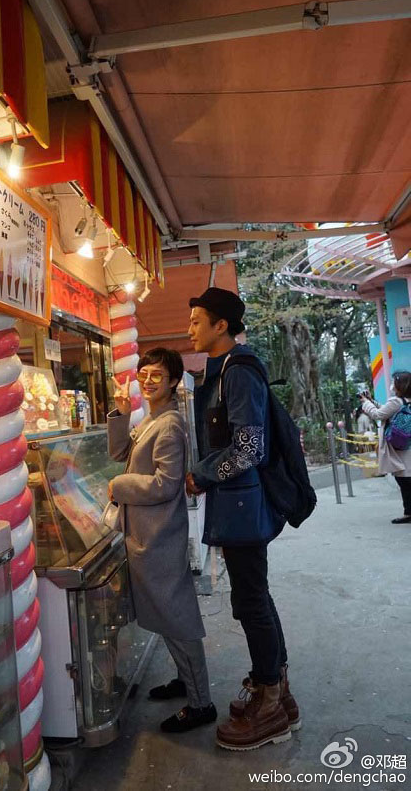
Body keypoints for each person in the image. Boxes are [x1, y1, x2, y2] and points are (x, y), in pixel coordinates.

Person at [186, 287, 300, 751]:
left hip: (243, 508)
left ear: (221, 326)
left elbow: (249, 448)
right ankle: (277, 690)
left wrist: (202, 475)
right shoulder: (224, 370)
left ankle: (270, 704)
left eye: (197, 321)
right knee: (255, 597)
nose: (190, 329)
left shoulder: (237, 372)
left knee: (250, 600)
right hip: (237, 505)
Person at [107, 347, 217, 733]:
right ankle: (186, 682)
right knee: (169, 617)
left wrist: (119, 486)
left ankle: (201, 703)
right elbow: (120, 452)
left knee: (178, 620)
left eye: (157, 375)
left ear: (172, 381)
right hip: (149, 534)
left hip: (159, 537)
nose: (149, 380)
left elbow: (166, 484)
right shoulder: (152, 419)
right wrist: (121, 413)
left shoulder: (169, 424)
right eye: (144, 374)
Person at [360, 372, 411, 524]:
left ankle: (409, 512)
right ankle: (408, 511)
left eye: (394, 382)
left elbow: (378, 415)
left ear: (400, 385)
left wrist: (366, 403)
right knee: (406, 479)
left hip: (399, 446)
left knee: (404, 480)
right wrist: (372, 401)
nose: (392, 385)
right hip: (407, 443)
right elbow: (386, 411)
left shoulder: (396, 401)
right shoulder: (404, 401)